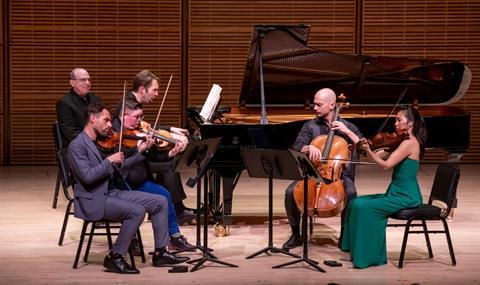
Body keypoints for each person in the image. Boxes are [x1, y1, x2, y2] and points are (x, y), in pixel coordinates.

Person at [68, 102, 189, 274]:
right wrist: (109, 160)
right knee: (137, 211)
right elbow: (88, 177)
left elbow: (118, 167)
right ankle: (115, 257)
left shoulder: (98, 142)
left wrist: (141, 152)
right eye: (106, 120)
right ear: (92, 119)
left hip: (111, 192)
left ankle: (161, 252)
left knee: (160, 201)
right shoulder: (77, 146)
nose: (110, 125)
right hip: (93, 199)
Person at [340, 106, 427, 269]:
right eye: (395, 119)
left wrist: (367, 150)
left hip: (406, 196)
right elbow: (379, 156)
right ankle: (354, 251)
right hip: (395, 192)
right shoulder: (401, 141)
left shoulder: (410, 143)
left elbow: (385, 166)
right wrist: (362, 148)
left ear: (411, 123)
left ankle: (370, 257)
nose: (395, 123)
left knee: (367, 208)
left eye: (399, 120)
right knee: (355, 203)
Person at [282, 88, 363, 250]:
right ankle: (296, 234)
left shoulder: (348, 126)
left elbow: (363, 147)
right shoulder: (310, 126)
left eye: (319, 105)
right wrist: (308, 148)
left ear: (332, 105)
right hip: (312, 172)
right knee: (290, 192)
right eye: (315, 104)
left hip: (338, 176)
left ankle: (345, 235)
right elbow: (297, 147)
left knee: (351, 193)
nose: (315, 108)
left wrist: (347, 132)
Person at [110, 99, 194, 252]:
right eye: (136, 117)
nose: (140, 121)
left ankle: (174, 237)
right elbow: (119, 160)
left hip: (140, 180)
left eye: (141, 117)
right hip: (121, 182)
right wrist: (139, 149)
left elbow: (152, 157)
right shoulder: (113, 133)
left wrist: (170, 153)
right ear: (123, 116)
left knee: (164, 194)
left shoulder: (138, 133)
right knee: (134, 206)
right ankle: (131, 240)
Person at [115, 70, 195, 223]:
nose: (157, 94)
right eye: (155, 90)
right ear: (142, 90)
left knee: (169, 160)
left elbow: (145, 127)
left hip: (140, 156)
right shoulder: (126, 107)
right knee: (170, 165)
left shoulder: (133, 102)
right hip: (131, 162)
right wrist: (163, 137)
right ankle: (177, 210)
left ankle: (165, 207)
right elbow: (129, 133)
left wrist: (170, 130)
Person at [56, 68, 101, 145]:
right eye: (83, 80)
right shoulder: (64, 103)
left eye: (89, 80)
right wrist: (94, 143)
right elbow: (71, 133)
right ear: (72, 83)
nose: (87, 83)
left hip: (99, 143)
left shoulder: (95, 99)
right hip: (77, 146)